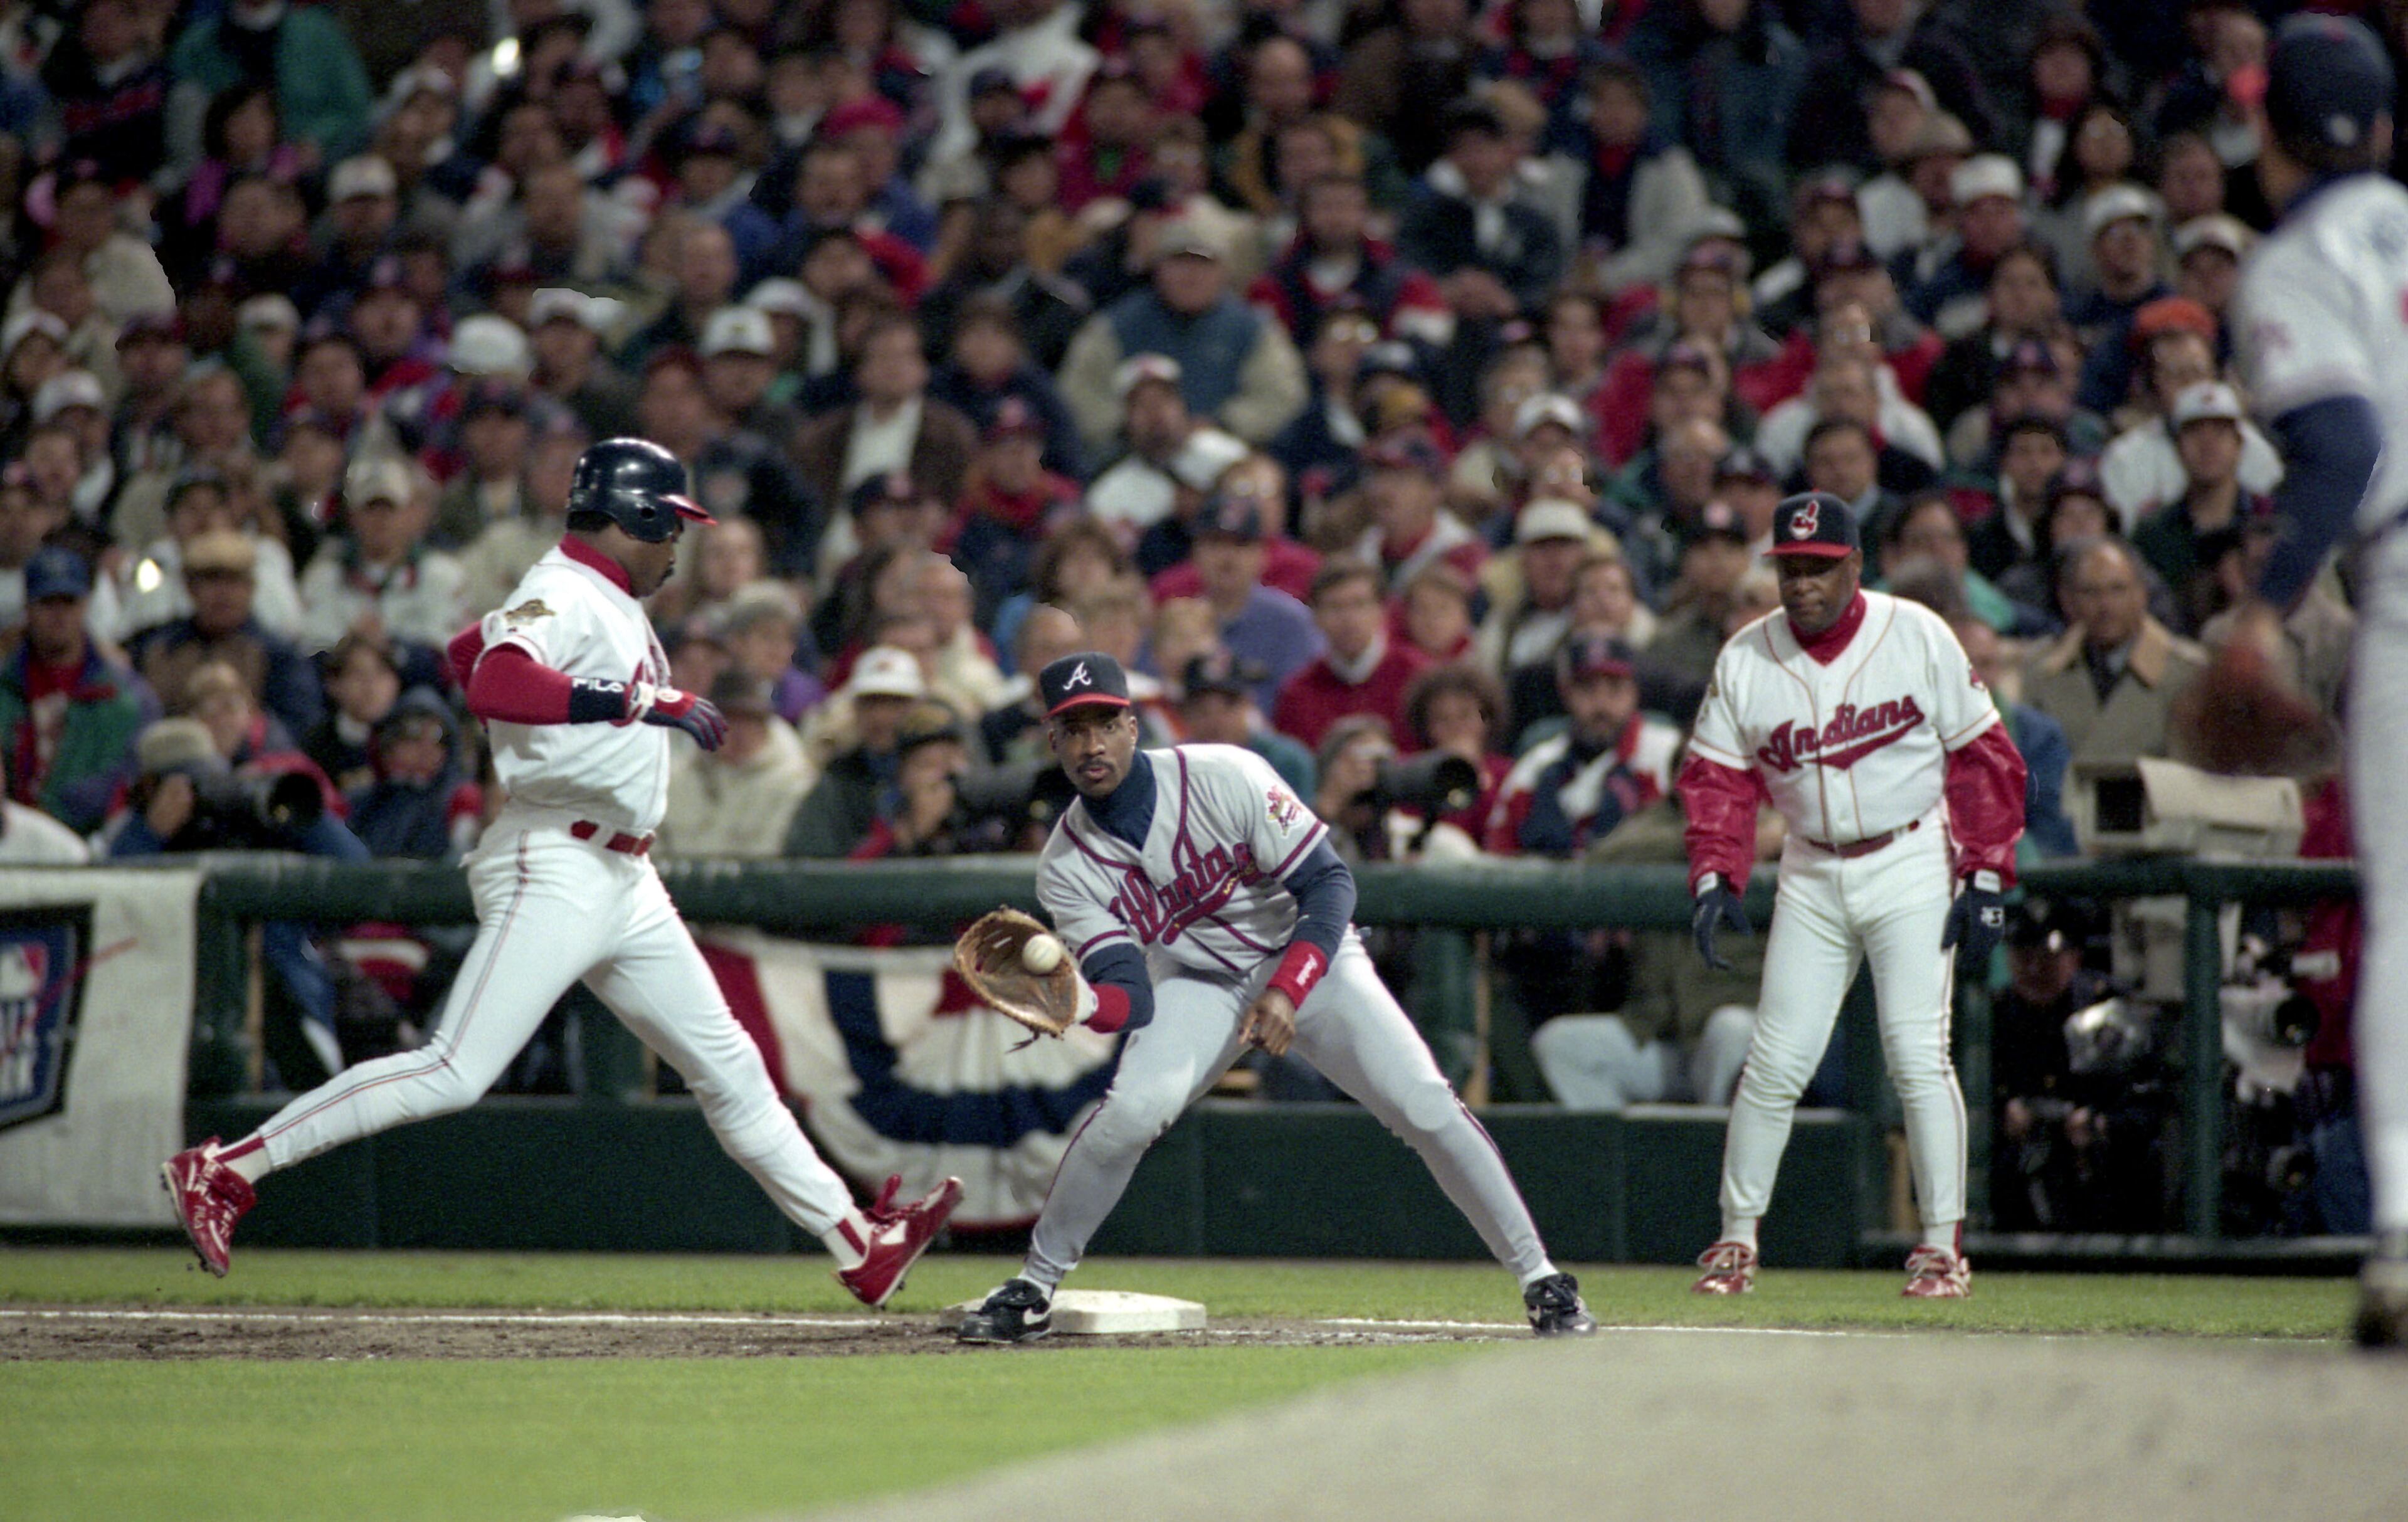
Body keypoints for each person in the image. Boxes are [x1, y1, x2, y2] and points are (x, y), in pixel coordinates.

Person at [159, 438, 963, 1306]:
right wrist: (635, 699)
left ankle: (859, 1244)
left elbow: (467, 654)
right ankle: (225, 1165)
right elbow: (498, 683)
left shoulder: (591, 594)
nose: (676, 545)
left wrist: (510, 642)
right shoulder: (570, 589)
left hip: (622, 873)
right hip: (558, 858)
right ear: (636, 516)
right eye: (671, 526)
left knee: (729, 1065)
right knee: (455, 1066)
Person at [952, 651, 1595, 1343]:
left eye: (1104, 724)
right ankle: (1035, 1285)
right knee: (1132, 1111)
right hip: (1199, 980)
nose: (1090, 745)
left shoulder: (1224, 775)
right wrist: (1082, 1008)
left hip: (1311, 959)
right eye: (1073, 730)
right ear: (1054, 743)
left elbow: (1331, 885)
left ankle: (1542, 1280)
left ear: (1133, 727)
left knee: (1424, 1102)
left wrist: (1289, 989)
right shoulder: (1066, 866)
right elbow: (1130, 997)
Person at [1678, 492, 2025, 1299]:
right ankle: (1736, 1241)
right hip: (1810, 868)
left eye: (1821, 569)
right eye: (1792, 568)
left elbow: (1983, 758)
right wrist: (1714, 874)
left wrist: (1984, 873)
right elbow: (1717, 783)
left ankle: (1942, 1247)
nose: (1804, 584)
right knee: (1774, 1063)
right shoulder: (1745, 656)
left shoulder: (1916, 633)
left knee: (1915, 1056)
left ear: (1856, 566)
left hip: (1909, 857)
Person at [2217, 16, 2408, 1349]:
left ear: (2267, 131)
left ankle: (2403, 1232)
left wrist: (2265, 607)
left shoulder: (2297, 259)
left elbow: (2340, 443)